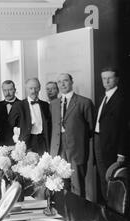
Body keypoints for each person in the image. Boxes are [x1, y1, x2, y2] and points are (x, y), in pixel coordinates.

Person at [50, 73, 94, 198]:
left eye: (65, 81)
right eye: (59, 82)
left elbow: (90, 129)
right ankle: (64, 214)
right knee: (60, 185)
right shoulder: (53, 104)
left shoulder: (84, 102)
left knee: (77, 185)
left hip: (76, 148)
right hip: (58, 149)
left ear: (71, 82)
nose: (62, 84)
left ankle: (79, 215)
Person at [94, 67, 129, 202]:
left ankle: (113, 214)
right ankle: (107, 211)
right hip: (99, 141)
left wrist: (121, 153)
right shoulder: (103, 97)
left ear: (117, 79)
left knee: (111, 180)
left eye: (110, 78)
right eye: (104, 78)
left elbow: (124, 129)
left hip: (112, 147)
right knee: (103, 178)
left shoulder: (121, 99)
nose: (106, 81)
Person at [10, 78, 51, 155]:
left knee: (43, 164)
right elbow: (11, 124)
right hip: (27, 140)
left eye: (36, 88)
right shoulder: (19, 105)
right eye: (31, 88)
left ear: (40, 88)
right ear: (26, 89)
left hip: (43, 140)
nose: (33, 91)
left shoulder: (45, 105)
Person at [0, 80, 20, 146]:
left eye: (10, 90)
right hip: (0, 143)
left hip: (17, 143)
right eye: (5, 90)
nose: (7, 93)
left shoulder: (22, 105)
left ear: (15, 90)